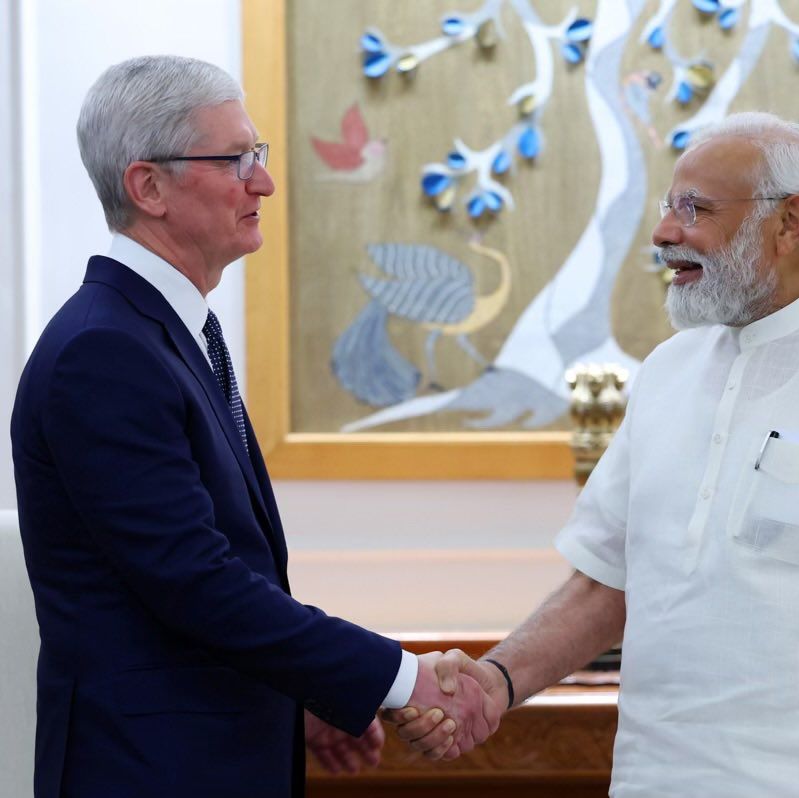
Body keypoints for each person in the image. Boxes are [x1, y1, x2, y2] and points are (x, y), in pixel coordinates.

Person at [390, 111, 799, 798]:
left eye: (696, 209)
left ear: (790, 223)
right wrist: (495, 681)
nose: (664, 233)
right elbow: (606, 582)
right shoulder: (666, 372)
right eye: (668, 207)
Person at [10, 55, 497, 798]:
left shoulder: (163, 334)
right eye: (235, 159)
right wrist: (398, 678)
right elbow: (196, 582)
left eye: (258, 156)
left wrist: (297, 695)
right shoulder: (104, 351)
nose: (263, 182)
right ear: (148, 186)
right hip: (148, 772)